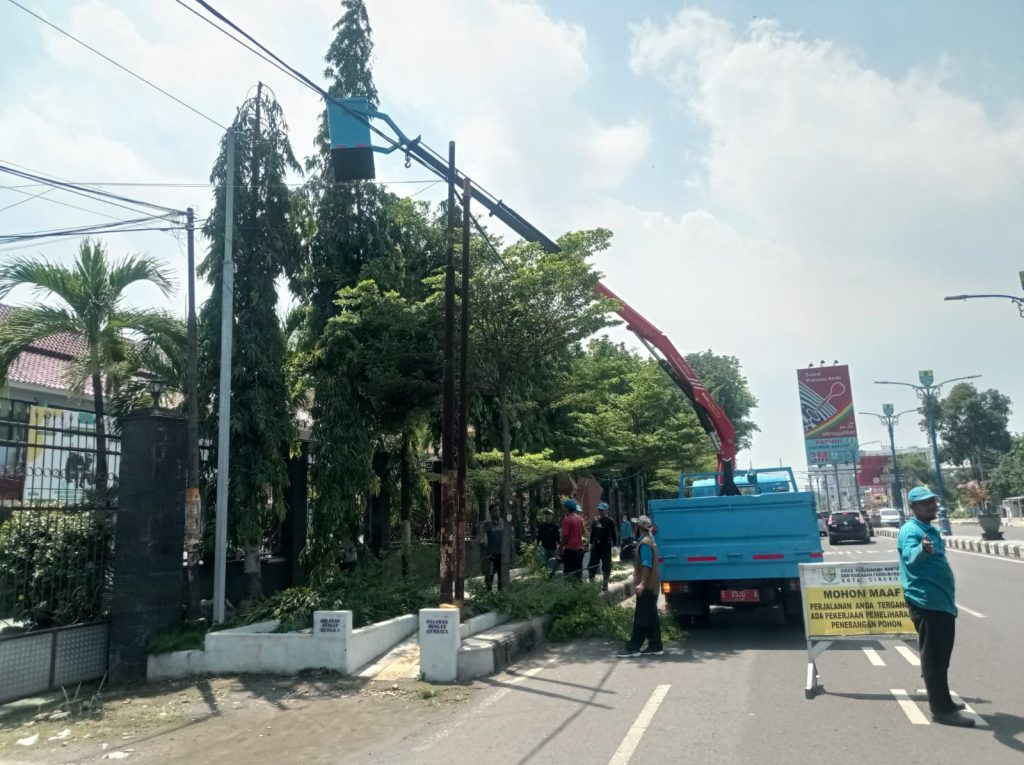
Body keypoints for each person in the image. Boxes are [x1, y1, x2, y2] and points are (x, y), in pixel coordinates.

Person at [897, 486, 973, 727]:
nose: (931, 506)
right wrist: (922, 549)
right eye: (925, 503)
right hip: (926, 601)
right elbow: (910, 557)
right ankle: (940, 710)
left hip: (940, 602)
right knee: (934, 657)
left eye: (932, 501)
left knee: (942, 656)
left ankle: (944, 701)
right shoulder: (912, 531)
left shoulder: (929, 529)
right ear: (913, 508)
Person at [617, 515, 663, 657]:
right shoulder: (650, 540)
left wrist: (642, 583)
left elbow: (647, 564)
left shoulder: (644, 544)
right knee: (651, 617)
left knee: (641, 617)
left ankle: (633, 647)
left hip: (647, 587)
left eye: (635, 525)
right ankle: (656, 645)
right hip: (653, 585)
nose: (634, 527)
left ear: (639, 528)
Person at [588, 502, 618, 590]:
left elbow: (614, 534)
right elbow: (593, 533)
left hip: (606, 546)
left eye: (602, 510)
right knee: (592, 565)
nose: (600, 511)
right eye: (599, 510)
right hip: (596, 546)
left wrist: (615, 545)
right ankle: (591, 585)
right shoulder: (595, 520)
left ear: (607, 510)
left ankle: (605, 584)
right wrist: (590, 543)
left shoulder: (610, 521)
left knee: (606, 565)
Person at [479, 504, 508, 592]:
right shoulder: (487, 524)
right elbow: (481, 537)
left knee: (501, 576)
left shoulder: (503, 522)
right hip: (491, 554)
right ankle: (488, 594)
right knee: (489, 575)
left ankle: (501, 594)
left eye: (498, 510)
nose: (497, 512)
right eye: (495, 511)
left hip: (502, 554)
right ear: (491, 512)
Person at [559, 498, 586, 580]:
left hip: (571, 551)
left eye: (564, 506)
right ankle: (579, 590)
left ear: (567, 508)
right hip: (580, 550)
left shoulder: (567, 520)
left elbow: (565, 537)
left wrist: (560, 549)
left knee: (568, 574)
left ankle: (570, 591)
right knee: (578, 574)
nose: (563, 508)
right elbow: (583, 532)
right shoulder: (579, 518)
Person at [536, 509, 561, 578]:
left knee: (552, 563)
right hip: (544, 548)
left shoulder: (554, 526)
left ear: (552, 516)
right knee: (544, 563)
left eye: (549, 515)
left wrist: (559, 546)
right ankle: (544, 576)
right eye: (546, 515)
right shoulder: (542, 526)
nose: (547, 516)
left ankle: (552, 577)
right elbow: (539, 536)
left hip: (553, 548)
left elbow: (558, 537)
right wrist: (537, 544)